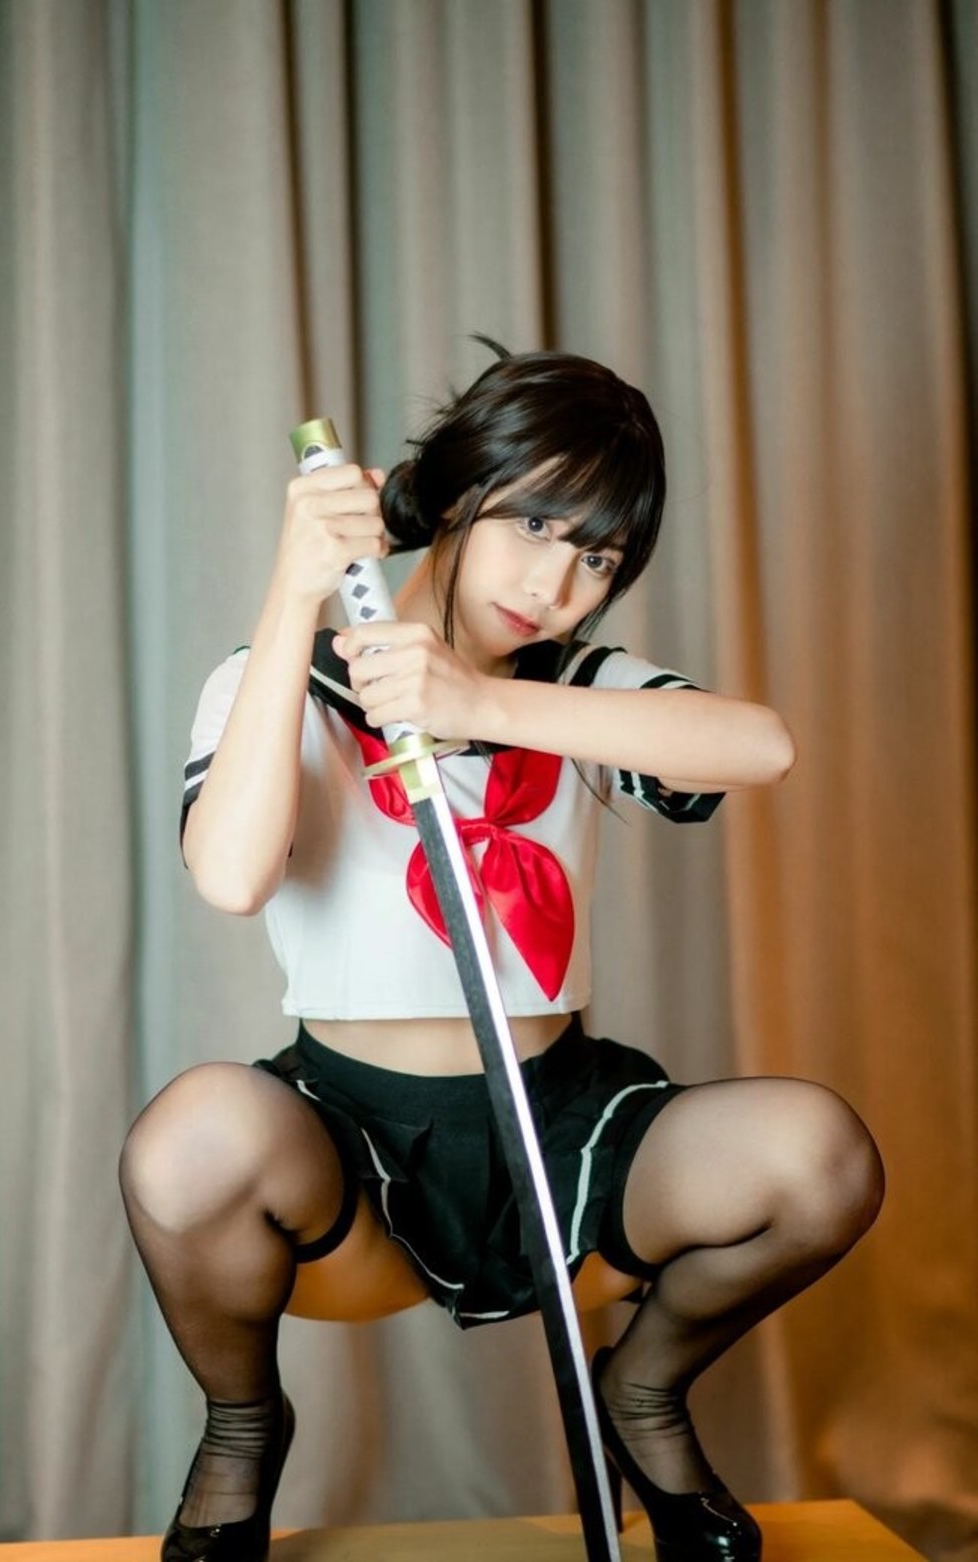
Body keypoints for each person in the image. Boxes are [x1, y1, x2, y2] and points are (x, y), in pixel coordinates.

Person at [119, 343, 885, 1562]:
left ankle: (643, 1391)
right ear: (460, 493)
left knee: (822, 1156)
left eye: (600, 558)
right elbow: (230, 874)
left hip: (564, 1130)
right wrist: (292, 592)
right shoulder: (279, 679)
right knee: (190, 1135)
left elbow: (763, 748)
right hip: (354, 1151)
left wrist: (477, 704)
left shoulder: (580, 686)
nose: (558, 584)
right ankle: (242, 1427)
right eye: (536, 524)